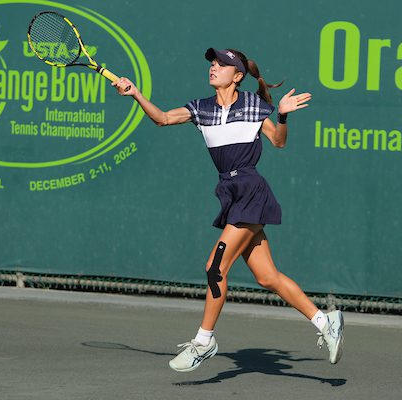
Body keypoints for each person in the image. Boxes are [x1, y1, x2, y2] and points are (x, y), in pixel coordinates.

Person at [112, 48, 344, 372]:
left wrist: (283, 115)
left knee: (214, 266)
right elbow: (163, 118)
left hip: (250, 191)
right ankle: (326, 321)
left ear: (237, 76)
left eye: (222, 64)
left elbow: (278, 141)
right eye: (212, 62)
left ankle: (204, 341)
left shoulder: (252, 105)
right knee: (268, 277)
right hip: (231, 193)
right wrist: (135, 93)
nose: (213, 67)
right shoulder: (201, 108)